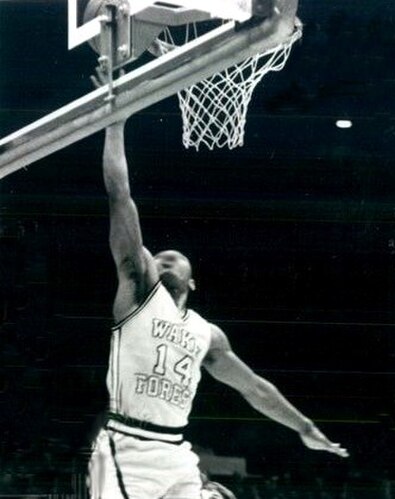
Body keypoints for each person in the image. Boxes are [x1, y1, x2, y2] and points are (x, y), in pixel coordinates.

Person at [87, 119, 348, 499]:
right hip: (126, 448)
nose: (163, 261)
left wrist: (303, 426)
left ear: (192, 282)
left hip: (176, 453)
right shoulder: (139, 293)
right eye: (157, 257)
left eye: (174, 259)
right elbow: (119, 196)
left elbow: (254, 388)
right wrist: (115, 125)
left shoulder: (206, 334)